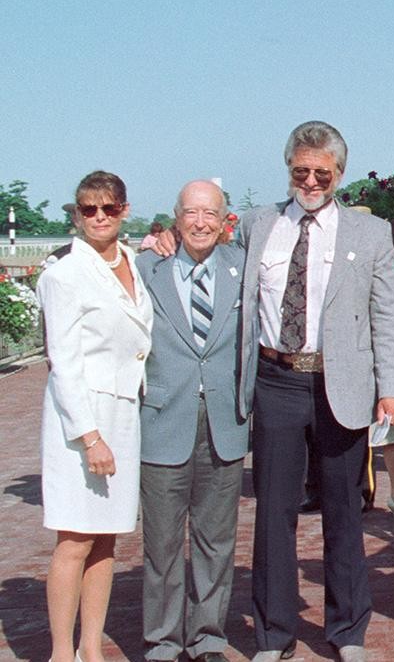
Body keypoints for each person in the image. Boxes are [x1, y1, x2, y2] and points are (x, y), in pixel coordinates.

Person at [233, 121, 394, 662]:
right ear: (288, 170)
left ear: (340, 175)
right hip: (275, 381)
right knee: (273, 515)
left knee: (343, 511)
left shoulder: (369, 233)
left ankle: (347, 630)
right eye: (300, 171)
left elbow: (388, 314)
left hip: (343, 385)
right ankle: (274, 635)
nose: (310, 181)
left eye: (321, 173)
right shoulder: (258, 226)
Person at [38, 171, 152, 662]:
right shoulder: (62, 273)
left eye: (108, 208)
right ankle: (62, 652)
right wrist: (90, 437)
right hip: (82, 418)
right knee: (74, 538)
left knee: (106, 539)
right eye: (88, 210)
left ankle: (91, 647)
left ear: (124, 210)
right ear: (77, 214)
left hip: (125, 412)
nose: (99, 218)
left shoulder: (132, 260)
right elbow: (62, 361)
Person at [136, 180, 251, 662]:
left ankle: (207, 638)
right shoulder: (145, 268)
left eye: (210, 214)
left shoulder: (242, 268)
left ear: (225, 221)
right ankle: (162, 642)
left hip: (224, 423)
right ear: (175, 218)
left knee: (216, 541)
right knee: (161, 546)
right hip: (164, 419)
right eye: (190, 213)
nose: (200, 222)